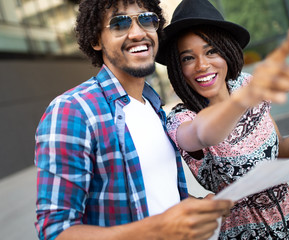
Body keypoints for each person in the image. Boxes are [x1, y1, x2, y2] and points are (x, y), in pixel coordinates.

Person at [34, 0, 233, 240]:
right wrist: (158, 230)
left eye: (146, 19)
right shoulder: (73, 110)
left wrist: (197, 208)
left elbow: (153, 198)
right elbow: (55, 230)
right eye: (120, 23)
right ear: (96, 40)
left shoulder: (154, 107)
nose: (138, 33)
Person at [156, 0, 289, 239]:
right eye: (188, 58)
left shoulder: (246, 84)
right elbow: (203, 133)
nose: (202, 65)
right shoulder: (181, 119)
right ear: (177, 68)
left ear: (227, 50)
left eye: (211, 51)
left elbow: (279, 150)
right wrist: (242, 101)